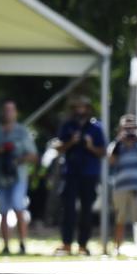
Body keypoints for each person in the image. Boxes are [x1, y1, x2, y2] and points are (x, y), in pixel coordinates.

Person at [55, 96, 106, 256]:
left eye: (82, 107)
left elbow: (103, 152)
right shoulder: (68, 126)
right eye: (77, 107)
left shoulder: (96, 128)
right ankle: (66, 244)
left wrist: (90, 146)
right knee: (68, 210)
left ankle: (83, 245)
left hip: (89, 174)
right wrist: (71, 142)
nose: (79, 110)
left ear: (88, 109)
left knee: (86, 211)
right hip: (70, 173)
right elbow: (59, 147)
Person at [0, 100, 38, 255]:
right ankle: (6, 245)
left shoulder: (22, 132)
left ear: (16, 113)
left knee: (18, 207)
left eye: (11, 110)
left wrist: (18, 159)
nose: (8, 113)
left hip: (18, 176)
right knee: (3, 211)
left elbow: (34, 156)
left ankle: (22, 244)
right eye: (6, 110)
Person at [107, 114, 137, 256]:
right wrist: (118, 142)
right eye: (126, 128)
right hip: (120, 187)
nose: (129, 131)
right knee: (120, 219)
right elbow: (111, 161)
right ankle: (117, 248)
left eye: (132, 127)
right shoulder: (116, 145)